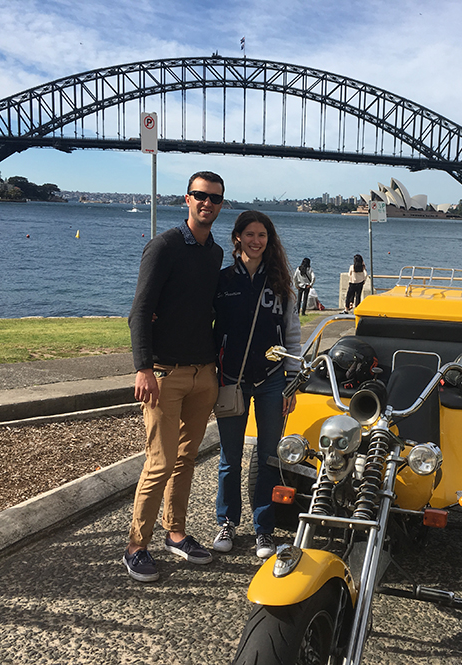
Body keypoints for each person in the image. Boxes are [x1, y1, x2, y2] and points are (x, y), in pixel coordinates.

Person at [124, 170, 226, 583]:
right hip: (165, 373)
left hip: (205, 373)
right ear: (187, 199)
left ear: (221, 205)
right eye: (200, 196)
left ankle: (176, 533)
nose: (207, 203)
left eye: (215, 198)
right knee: (160, 461)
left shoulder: (215, 253)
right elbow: (139, 311)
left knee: (186, 459)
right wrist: (143, 367)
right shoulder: (164, 246)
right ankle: (135, 546)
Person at [212, 210, 300, 559]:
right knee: (230, 457)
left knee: (267, 456)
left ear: (269, 239)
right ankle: (227, 522)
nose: (255, 240)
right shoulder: (222, 281)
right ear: (237, 238)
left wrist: (292, 382)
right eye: (249, 234)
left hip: (271, 380)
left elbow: (292, 335)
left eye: (262, 234)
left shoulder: (281, 283)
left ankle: (263, 529)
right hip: (231, 380)